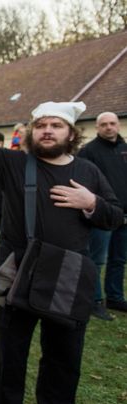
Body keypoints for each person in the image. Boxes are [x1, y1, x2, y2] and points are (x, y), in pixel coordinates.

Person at [0, 70, 123, 404]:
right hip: (18, 271)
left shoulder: (89, 172)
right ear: (33, 131)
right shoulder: (15, 164)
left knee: (64, 358)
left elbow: (115, 216)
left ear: (70, 132)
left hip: (69, 275)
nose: (47, 131)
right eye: (41, 125)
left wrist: (92, 203)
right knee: (9, 352)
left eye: (56, 125)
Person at [78, 112, 127, 321]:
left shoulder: (124, 148)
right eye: (104, 124)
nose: (109, 127)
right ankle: (94, 300)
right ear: (97, 128)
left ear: (118, 125)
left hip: (124, 215)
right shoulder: (88, 152)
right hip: (102, 214)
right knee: (97, 259)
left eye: (112, 123)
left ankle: (115, 297)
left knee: (119, 259)